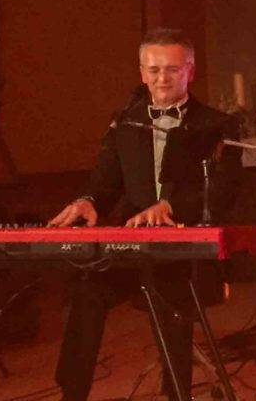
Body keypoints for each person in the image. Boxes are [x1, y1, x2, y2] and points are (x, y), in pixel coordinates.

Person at [47, 28, 243, 401]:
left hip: (185, 253)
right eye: (153, 70)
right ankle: (72, 394)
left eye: (171, 70)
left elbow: (223, 189)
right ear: (141, 72)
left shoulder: (216, 125)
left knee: (172, 304)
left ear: (190, 71)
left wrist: (170, 206)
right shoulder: (125, 120)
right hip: (132, 248)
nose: (161, 79)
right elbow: (105, 182)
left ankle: (177, 394)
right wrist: (88, 200)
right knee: (86, 289)